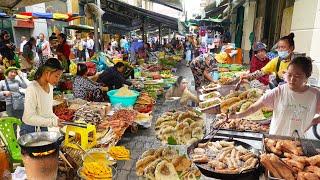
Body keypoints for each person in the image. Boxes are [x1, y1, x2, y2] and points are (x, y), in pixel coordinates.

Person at [229, 57, 320, 137]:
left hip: (299, 141)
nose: (292, 79)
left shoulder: (315, 95)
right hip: (275, 139)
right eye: (289, 75)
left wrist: (312, 122)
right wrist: (237, 115)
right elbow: (254, 107)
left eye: (297, 76)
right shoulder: (279, 92)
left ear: (307, 77)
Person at [21, 58, 64, 136]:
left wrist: (57, 120)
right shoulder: (32, 88)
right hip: (30, 129)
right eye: (56, 76)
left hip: (43, 127)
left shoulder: (50, 87)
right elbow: (28, 118)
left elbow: (47, 111)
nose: (58, 80)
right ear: (47, 73)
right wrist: (52, 122)